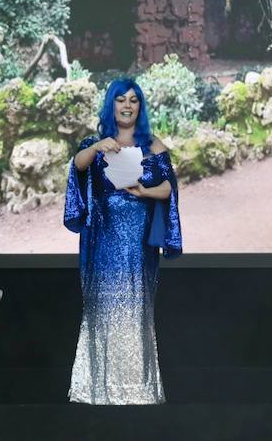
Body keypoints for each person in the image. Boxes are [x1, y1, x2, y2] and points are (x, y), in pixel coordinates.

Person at [64, 77, 182, 404]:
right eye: (121, 100)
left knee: (136, 311)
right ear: (111, 105)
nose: (127, 105)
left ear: (140, 107)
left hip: (139, 243)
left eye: (133, 100)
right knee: (101, 310)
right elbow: (77, 166)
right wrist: (97, 147)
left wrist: (145, 190)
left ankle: (139, 392)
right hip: (104, 240)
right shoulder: (95, 142)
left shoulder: (152, 144)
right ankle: (96, 390)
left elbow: (169, 189)